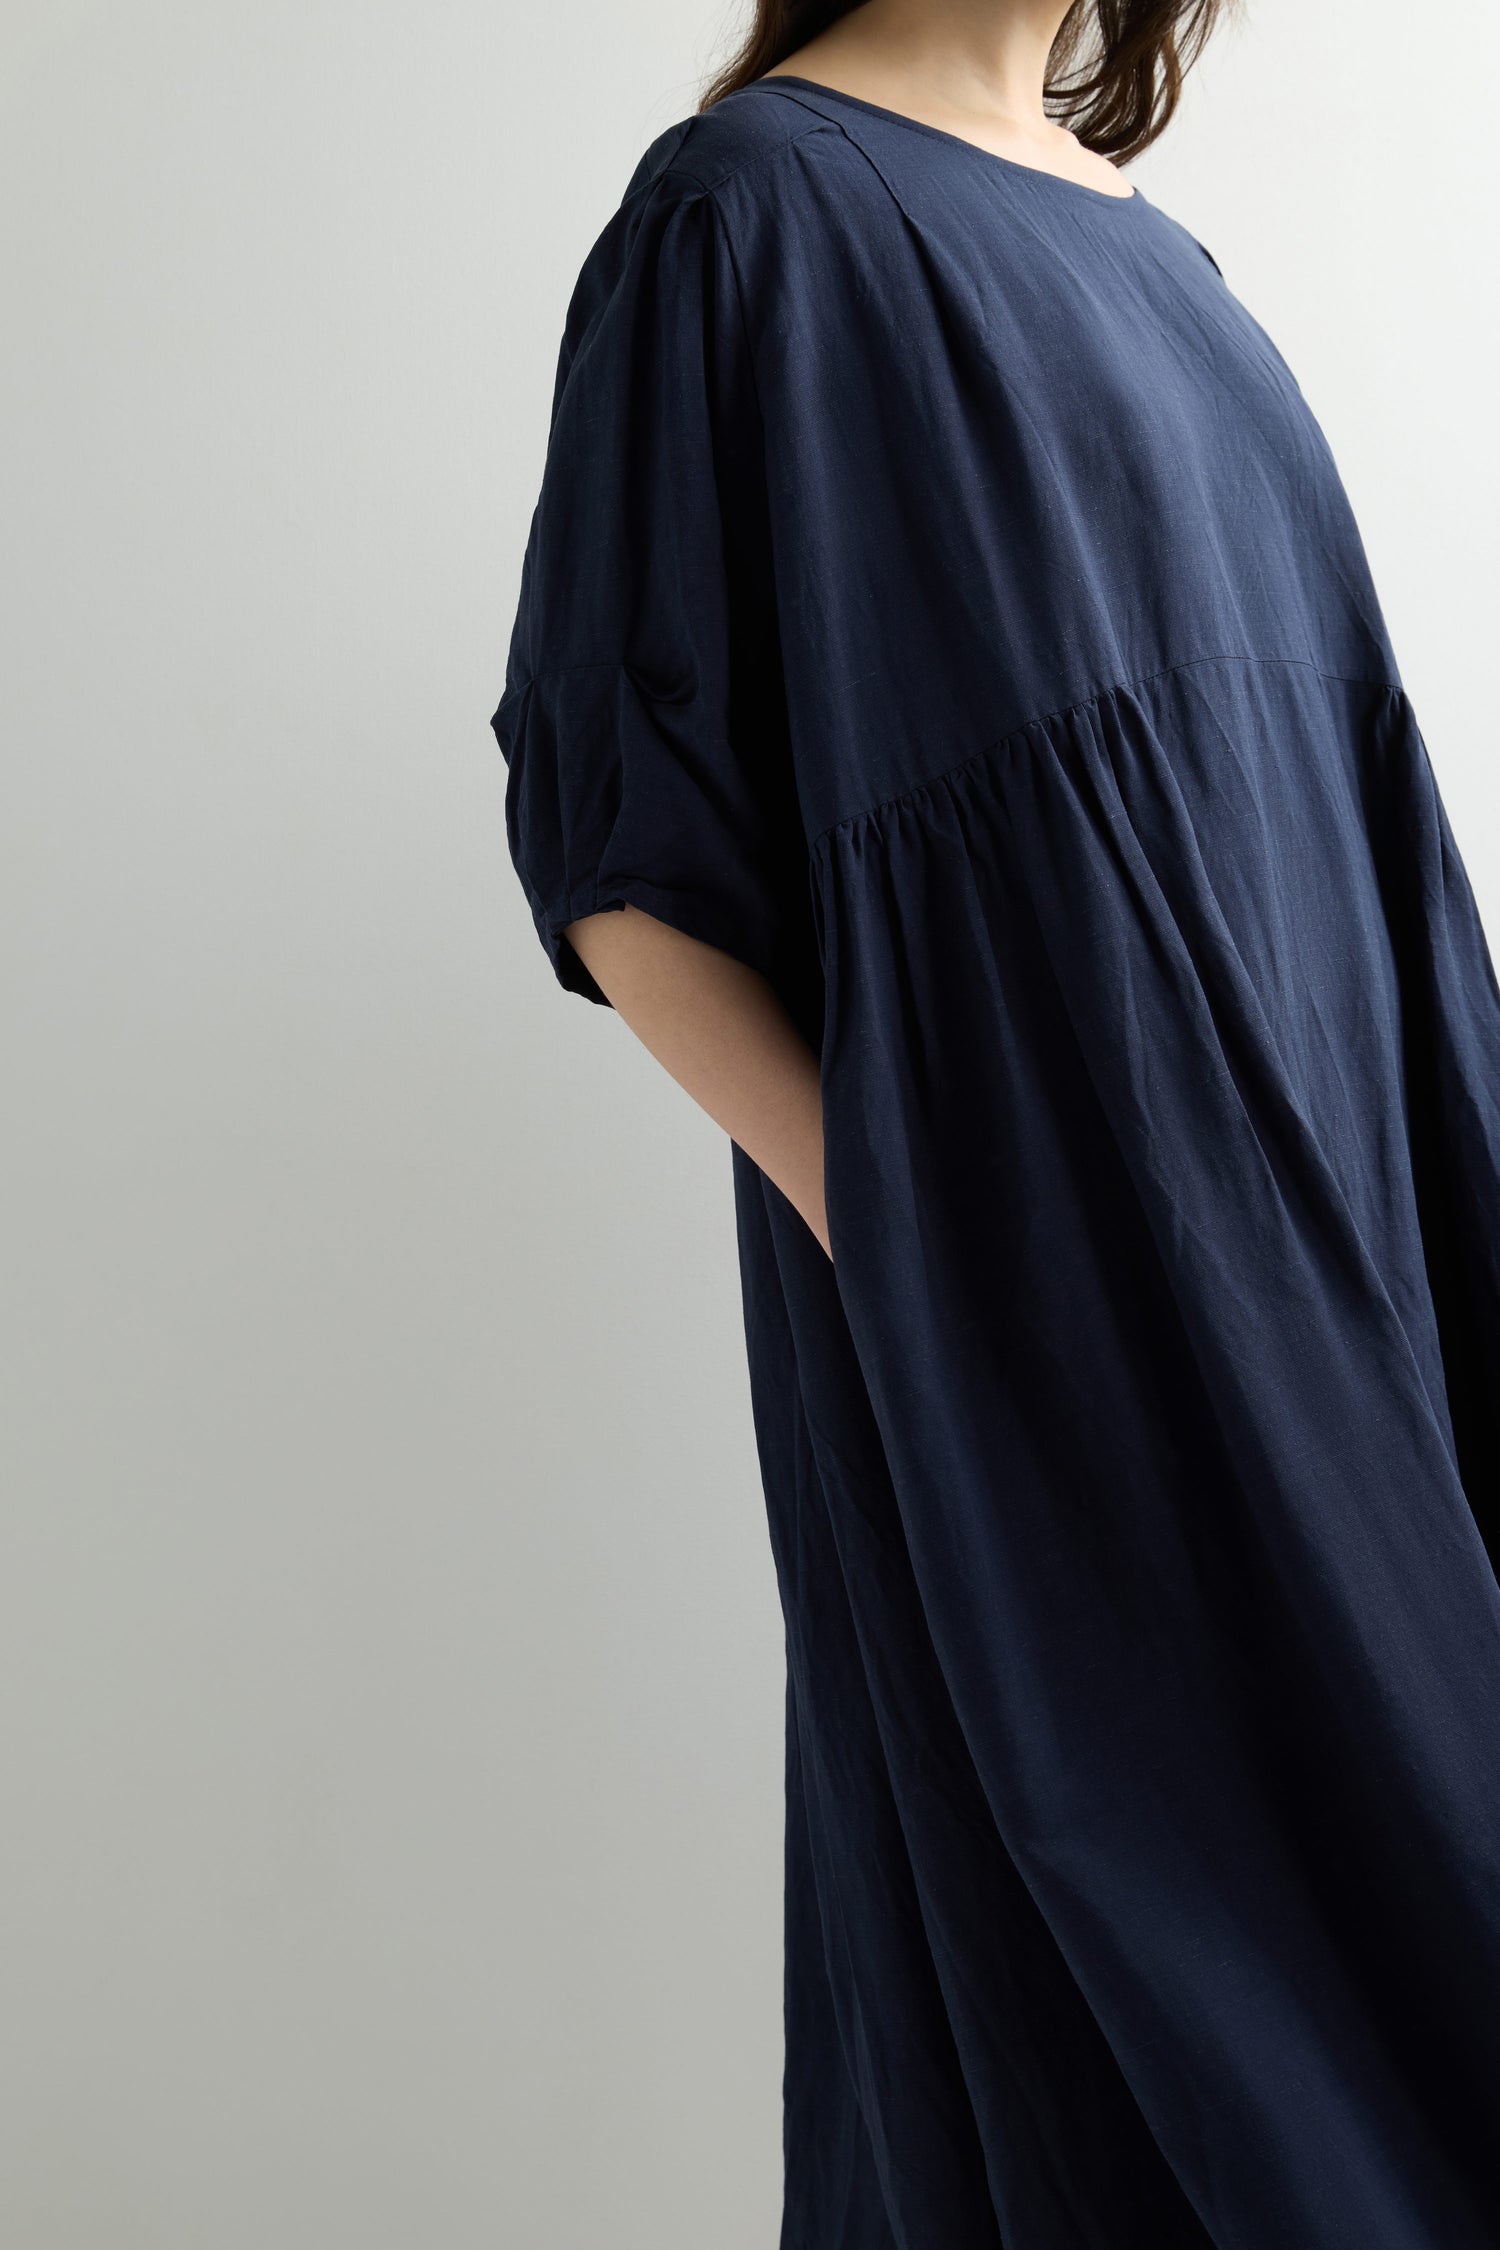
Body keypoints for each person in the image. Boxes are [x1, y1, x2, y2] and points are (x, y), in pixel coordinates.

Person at [489, 1, 1500, 2240]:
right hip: (1034, 1343)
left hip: (1346, 1283)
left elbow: (1342, 839)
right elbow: (621, 865)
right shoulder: (747, 219)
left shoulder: (1162, 256)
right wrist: (940, 1252)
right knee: (1119, 2033)